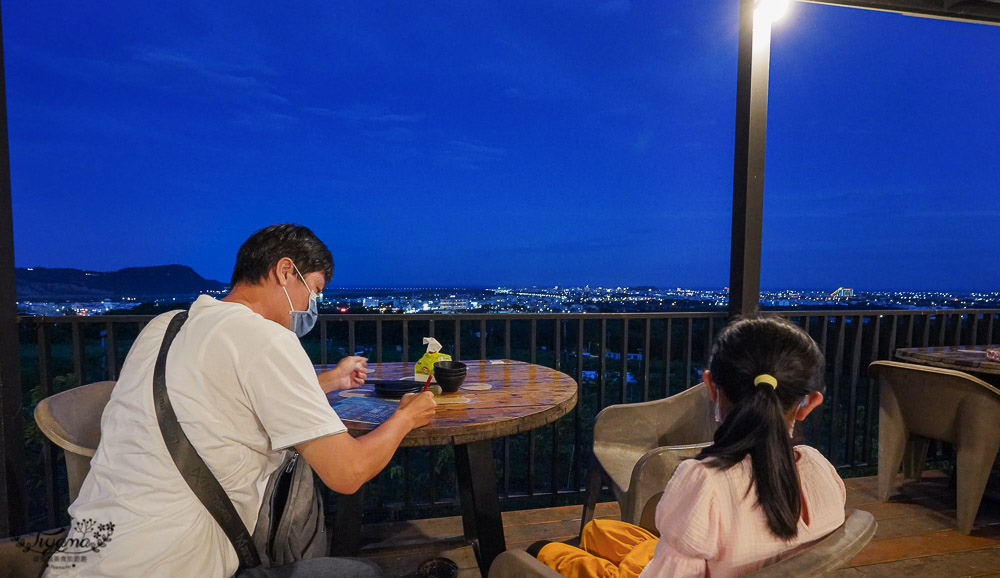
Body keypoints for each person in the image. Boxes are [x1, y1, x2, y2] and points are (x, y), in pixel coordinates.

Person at [45, 224, 437, 578]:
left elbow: (234, 403)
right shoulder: (267, 338)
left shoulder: (164, 326)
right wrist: (406, 417)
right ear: (285, 272)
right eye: (314, 290)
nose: (312, 306)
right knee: (362, 573)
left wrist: (331, 381)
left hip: (82, 559)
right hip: (176, 565)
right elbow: (347, 473)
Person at [531, 316, 846, 577]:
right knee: (597, 530)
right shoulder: (822, 470)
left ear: (710, 386)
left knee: (540, 551)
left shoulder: (705, 482)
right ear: (808, 403)